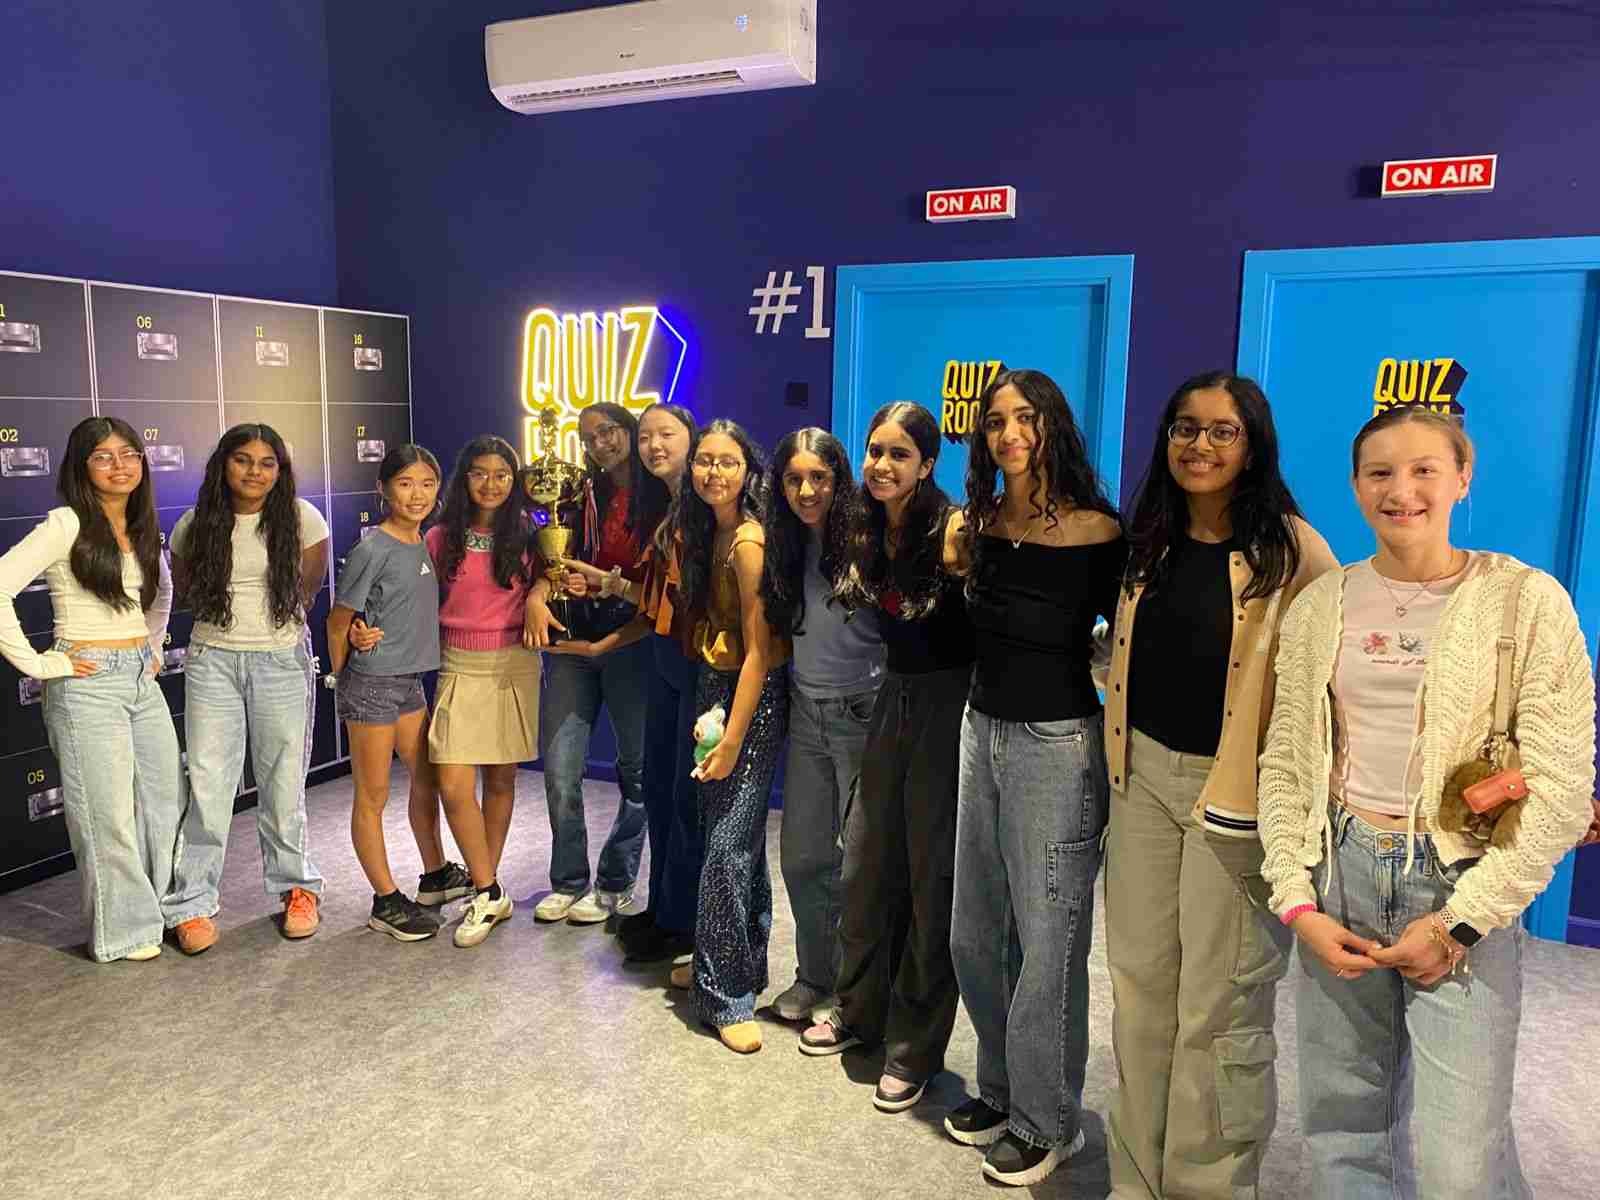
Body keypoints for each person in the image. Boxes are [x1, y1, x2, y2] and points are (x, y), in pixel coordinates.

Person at [1259, 404, 1596, 1199]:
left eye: (1424, 470)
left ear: (1462, 478)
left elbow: (1560, 789)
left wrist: (1460, 923)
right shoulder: (1322, 604)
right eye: (1380, 472)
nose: (1400, 490)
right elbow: (1286, 763)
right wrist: (1296, 901)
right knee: (1344, 1129)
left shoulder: (1525, 601)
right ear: (1355, 485)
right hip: (1340, 869)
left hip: (1462, 879)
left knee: (1460, 1159)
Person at [1101, 374, 1337, 1198]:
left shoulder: (1295, 553)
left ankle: (1207, 1186)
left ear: (1252, 445)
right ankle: (1136, 1181)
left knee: (1218, 1005)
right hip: (1140, 781)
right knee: (1139, 990)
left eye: (1221, 431)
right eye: (1184, 427)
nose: (1199, 445)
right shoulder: (1150, 539)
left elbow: (1327, 690)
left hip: (1234, 801)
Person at [947, 368, 1125, 1187]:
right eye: (995, 422)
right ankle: (1001, 1088)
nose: (1009, 434)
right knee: (975, 932)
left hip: (1057, 744)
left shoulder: (1098, 530)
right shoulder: (981, 522)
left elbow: (1125, 640)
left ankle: (1048, 1119)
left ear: (1052, 424)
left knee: (1048, 941)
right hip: (979, 730)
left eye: (1025, 418)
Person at [800, 402, 971, 1115]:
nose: (881, 464)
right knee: (865, 864)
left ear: (927, 464)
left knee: (930, 884)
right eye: (875, 450)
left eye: (899, 454)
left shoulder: (954, 529)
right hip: (892, 695)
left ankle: (914, 1048)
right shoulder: (866, 526)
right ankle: (859, 1012)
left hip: (949, 703)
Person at [0, 416, 178, 962]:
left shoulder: (141, 524)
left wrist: (151, 647)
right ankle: (124, 932)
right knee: (106, 815)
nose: (119, 466)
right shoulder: (65, 523)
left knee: (163, 799)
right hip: (86, 681)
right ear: (82, 467)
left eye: (129, 454)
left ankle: (160, 909)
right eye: (103, 456)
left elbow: (162, 593)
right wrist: (38, 664)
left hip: (137, 676)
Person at [164, 423, 331, 953]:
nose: (254, 472)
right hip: (212, 660)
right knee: (208, 784)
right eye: (243, 460)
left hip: (280, 659)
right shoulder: (194, 524)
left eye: (266, 463)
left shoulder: (303, 519)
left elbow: (307, 592)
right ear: (223, 464)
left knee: (283, 782)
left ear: (280, 471)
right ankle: (191, 903)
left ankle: (297, 888)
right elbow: (187, 590)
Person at [665, 420, 790, 1055]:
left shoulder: (747, 541)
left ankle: (727, 995)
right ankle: (730, 957)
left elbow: (760, 653)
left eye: (727, 462)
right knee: (728, 838)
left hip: (750, 699)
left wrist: (735, 736)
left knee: (727, 846)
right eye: (705, 461)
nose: (713, 472)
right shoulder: (706, 531)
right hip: (714, 689)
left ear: (748, 470)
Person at [564, 402, 705, 963]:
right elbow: (656, 596)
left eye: (665, 434)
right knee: (665, 793)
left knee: (690, 800)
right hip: (665, 655)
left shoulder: (704, 507)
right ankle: (667, 913)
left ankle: (693, 928)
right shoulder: (659, 505)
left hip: (699, 663)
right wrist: (609, 584)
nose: (653, 446)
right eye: (647, 437)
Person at [759, 427, 883, 1024]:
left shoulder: (868, 538)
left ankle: (859, 995)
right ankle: (815, 977)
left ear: (839, 479)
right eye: (793, 479)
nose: (806, 491)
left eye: (819, 478)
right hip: (807, 712)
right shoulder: (782, 542)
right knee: (805, 858)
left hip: (864, 712)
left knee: (861, 865)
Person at [328, 443, 469, 942]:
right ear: (384, 489)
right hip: (372, 684)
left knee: (426, 779)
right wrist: (345, 676)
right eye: (405, 484)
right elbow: (338, 620)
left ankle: (435, 875)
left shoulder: (424, 542)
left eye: (427, 484)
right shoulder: (373, 548)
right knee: (372, 795)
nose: (417, 494)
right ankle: (385, 900)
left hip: (408, 682)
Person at [417, 436, 542, 947]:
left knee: (501, 780)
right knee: (452, 784)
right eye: (479, 473)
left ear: (515, 481)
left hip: (513, 662)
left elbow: (551, 582)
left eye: (502, 474)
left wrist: (540, 593)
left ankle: (485, 887)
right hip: (458, 664)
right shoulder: (439, 537)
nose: (491, 484)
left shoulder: (531, 535)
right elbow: (415, 600)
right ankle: (488, 888)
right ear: (463, 478)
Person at [533, 402, 653, 926]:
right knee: (560, 770)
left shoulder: (661, 497)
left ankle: (615, 880)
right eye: (588, 438)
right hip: (574, 639)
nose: (599, 443)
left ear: (629, 429)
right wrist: (547, 592)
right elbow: (557, 563)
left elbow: (663, 594)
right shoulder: (581, 494)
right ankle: (568, 880)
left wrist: (609, 636)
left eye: (608, 431)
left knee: (638, 772)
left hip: (633, 641)